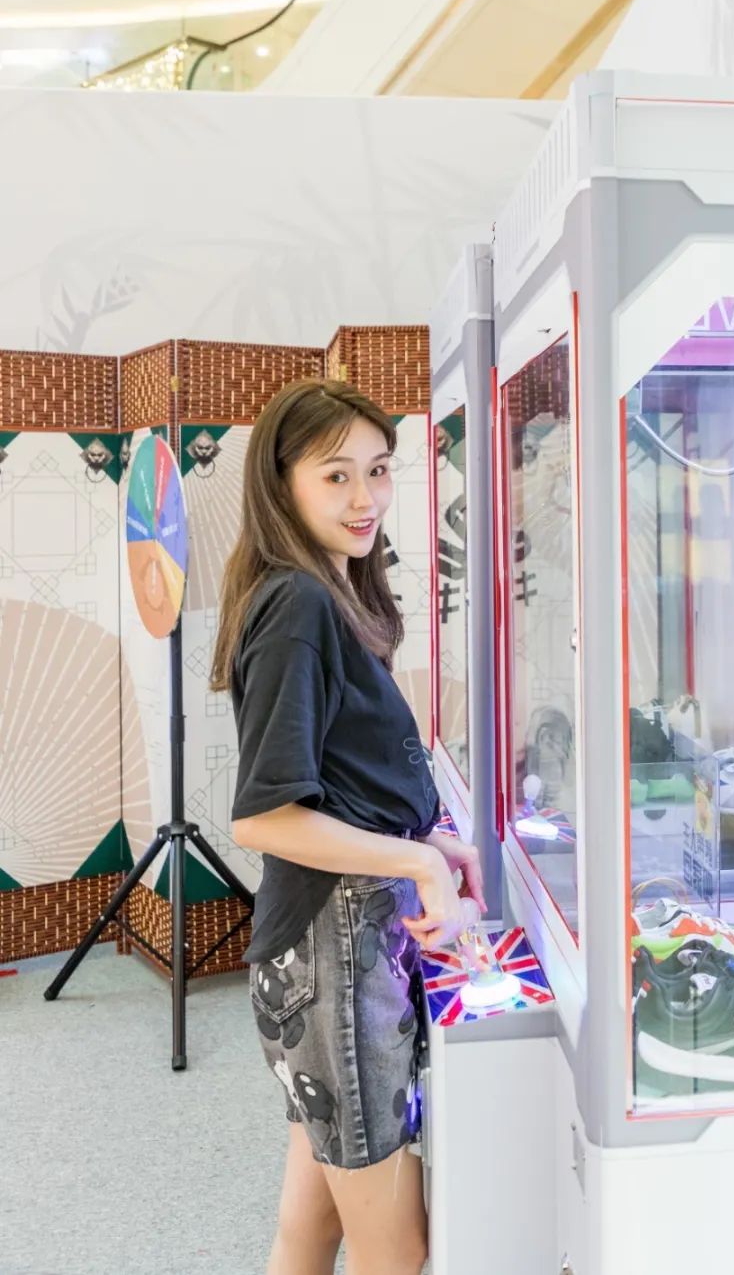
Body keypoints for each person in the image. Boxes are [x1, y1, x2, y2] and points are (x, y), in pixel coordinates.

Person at [209, 378, 485, 1275]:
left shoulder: (317, 590)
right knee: (395, 1249)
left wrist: (429, 845)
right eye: (336, 475)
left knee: (313, 1225)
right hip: (335, 953)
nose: (365, 497)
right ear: (282, 482)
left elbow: (336, 788)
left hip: (323, 950)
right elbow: (264, 817)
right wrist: (420, 862)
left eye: (378, 469)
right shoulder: (298, 604)